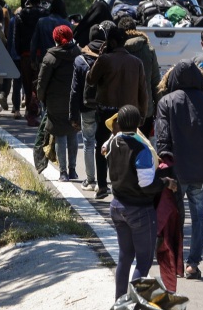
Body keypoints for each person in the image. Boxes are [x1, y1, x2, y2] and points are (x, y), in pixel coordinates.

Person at [155, 61, 203, 280]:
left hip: (175, 174)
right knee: (199, 218)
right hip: (202, 172)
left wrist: (163, 174)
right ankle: (192, 264)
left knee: (175, 218)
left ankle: (175, 261)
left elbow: (162, 141)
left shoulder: (166, 102)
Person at [104, 105, 176, 299]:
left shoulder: (112, 143)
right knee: (143, 261)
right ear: (139, 124)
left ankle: (119, 302)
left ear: (118, 122)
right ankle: (132, 303)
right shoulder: (140, 149)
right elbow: (146, 184)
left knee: (124, 257)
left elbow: (106, 146)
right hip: (139, 210)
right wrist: (165, 182)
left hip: (117, 206)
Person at [87, 22, 150, 200]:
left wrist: (100, 56)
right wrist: (143, 114)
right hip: (129, 113)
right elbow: (142, 91)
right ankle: (123, 187)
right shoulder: (136, 62)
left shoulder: (105, 59)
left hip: (107, 112)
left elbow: (90, 79)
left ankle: (101, 186)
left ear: (112, 42)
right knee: (127, 149)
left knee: (102, 147)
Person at [37, 25, 82, 181]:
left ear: (55, 38)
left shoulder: (50, 57)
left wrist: (41, 98)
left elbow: (42, 83)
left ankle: (63, 173)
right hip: (74, 101)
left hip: (55, 102)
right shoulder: (78, 54)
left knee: (60, 135)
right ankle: (73, 169)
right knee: (73, 132)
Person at [70, 27, 105, 191]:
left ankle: (90, 180)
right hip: (106, 108)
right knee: (105, 144)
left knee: (88, 143)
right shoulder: (108, 57)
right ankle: (103, 182)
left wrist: (73, 114)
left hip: (86, 107)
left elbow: (75, 90)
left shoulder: (79, 60)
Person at [118, 16, 161, 134]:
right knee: (143, 146)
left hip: (122, 110)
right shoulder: (148, 49)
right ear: (135, 29)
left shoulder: (117, 50)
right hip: (145, 111)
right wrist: (159, 108)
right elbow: (156, 82)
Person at [14, 0, 48, 126]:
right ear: (39, 0)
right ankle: (35, 111)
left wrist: (19, 52)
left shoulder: (20, 15)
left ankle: (30, 111)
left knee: (27, 85)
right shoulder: (45, 14)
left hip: (25, 54)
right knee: (38, 84)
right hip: (40, 54)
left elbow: (16, 37)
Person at [30, 0, 72, 68]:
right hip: (61, 63)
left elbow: (34, 43)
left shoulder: (41, 22)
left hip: (45, 60)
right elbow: (70, 45)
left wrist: (33, 60)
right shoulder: (67, 24)